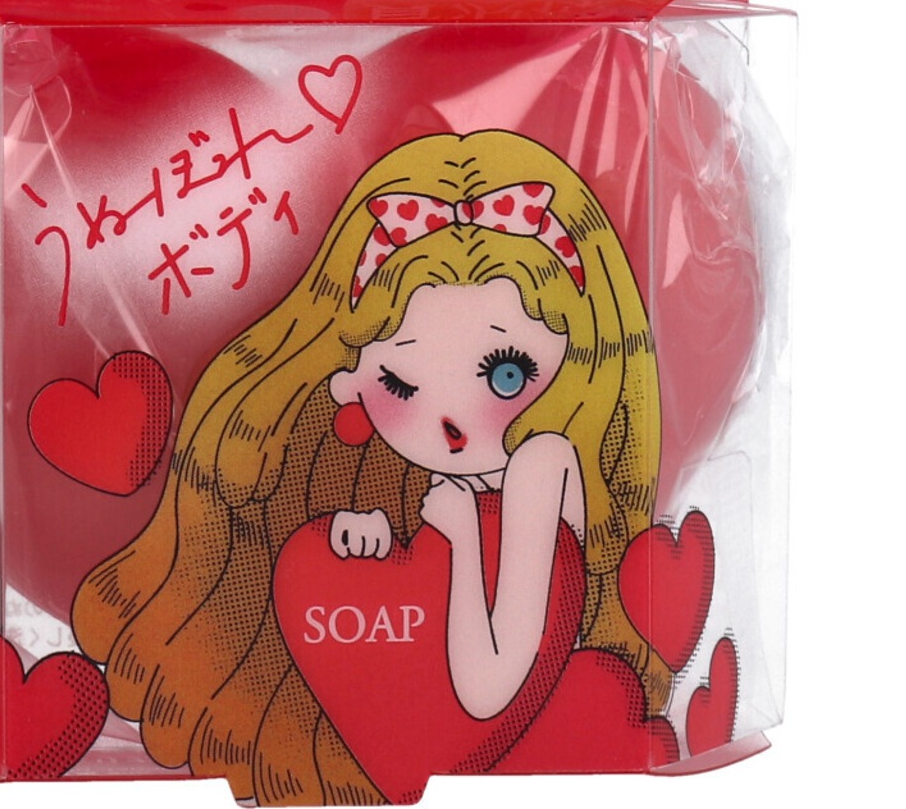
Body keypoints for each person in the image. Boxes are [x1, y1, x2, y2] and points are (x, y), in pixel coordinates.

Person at [73, 131, 668, 803]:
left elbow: (488, 687)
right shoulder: (464, 481)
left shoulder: (541, 462)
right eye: (401, 384)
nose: (453, 426)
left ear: (582, 360)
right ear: (349, 378)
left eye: (508, 374)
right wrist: (373, 560)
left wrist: (459, 538)